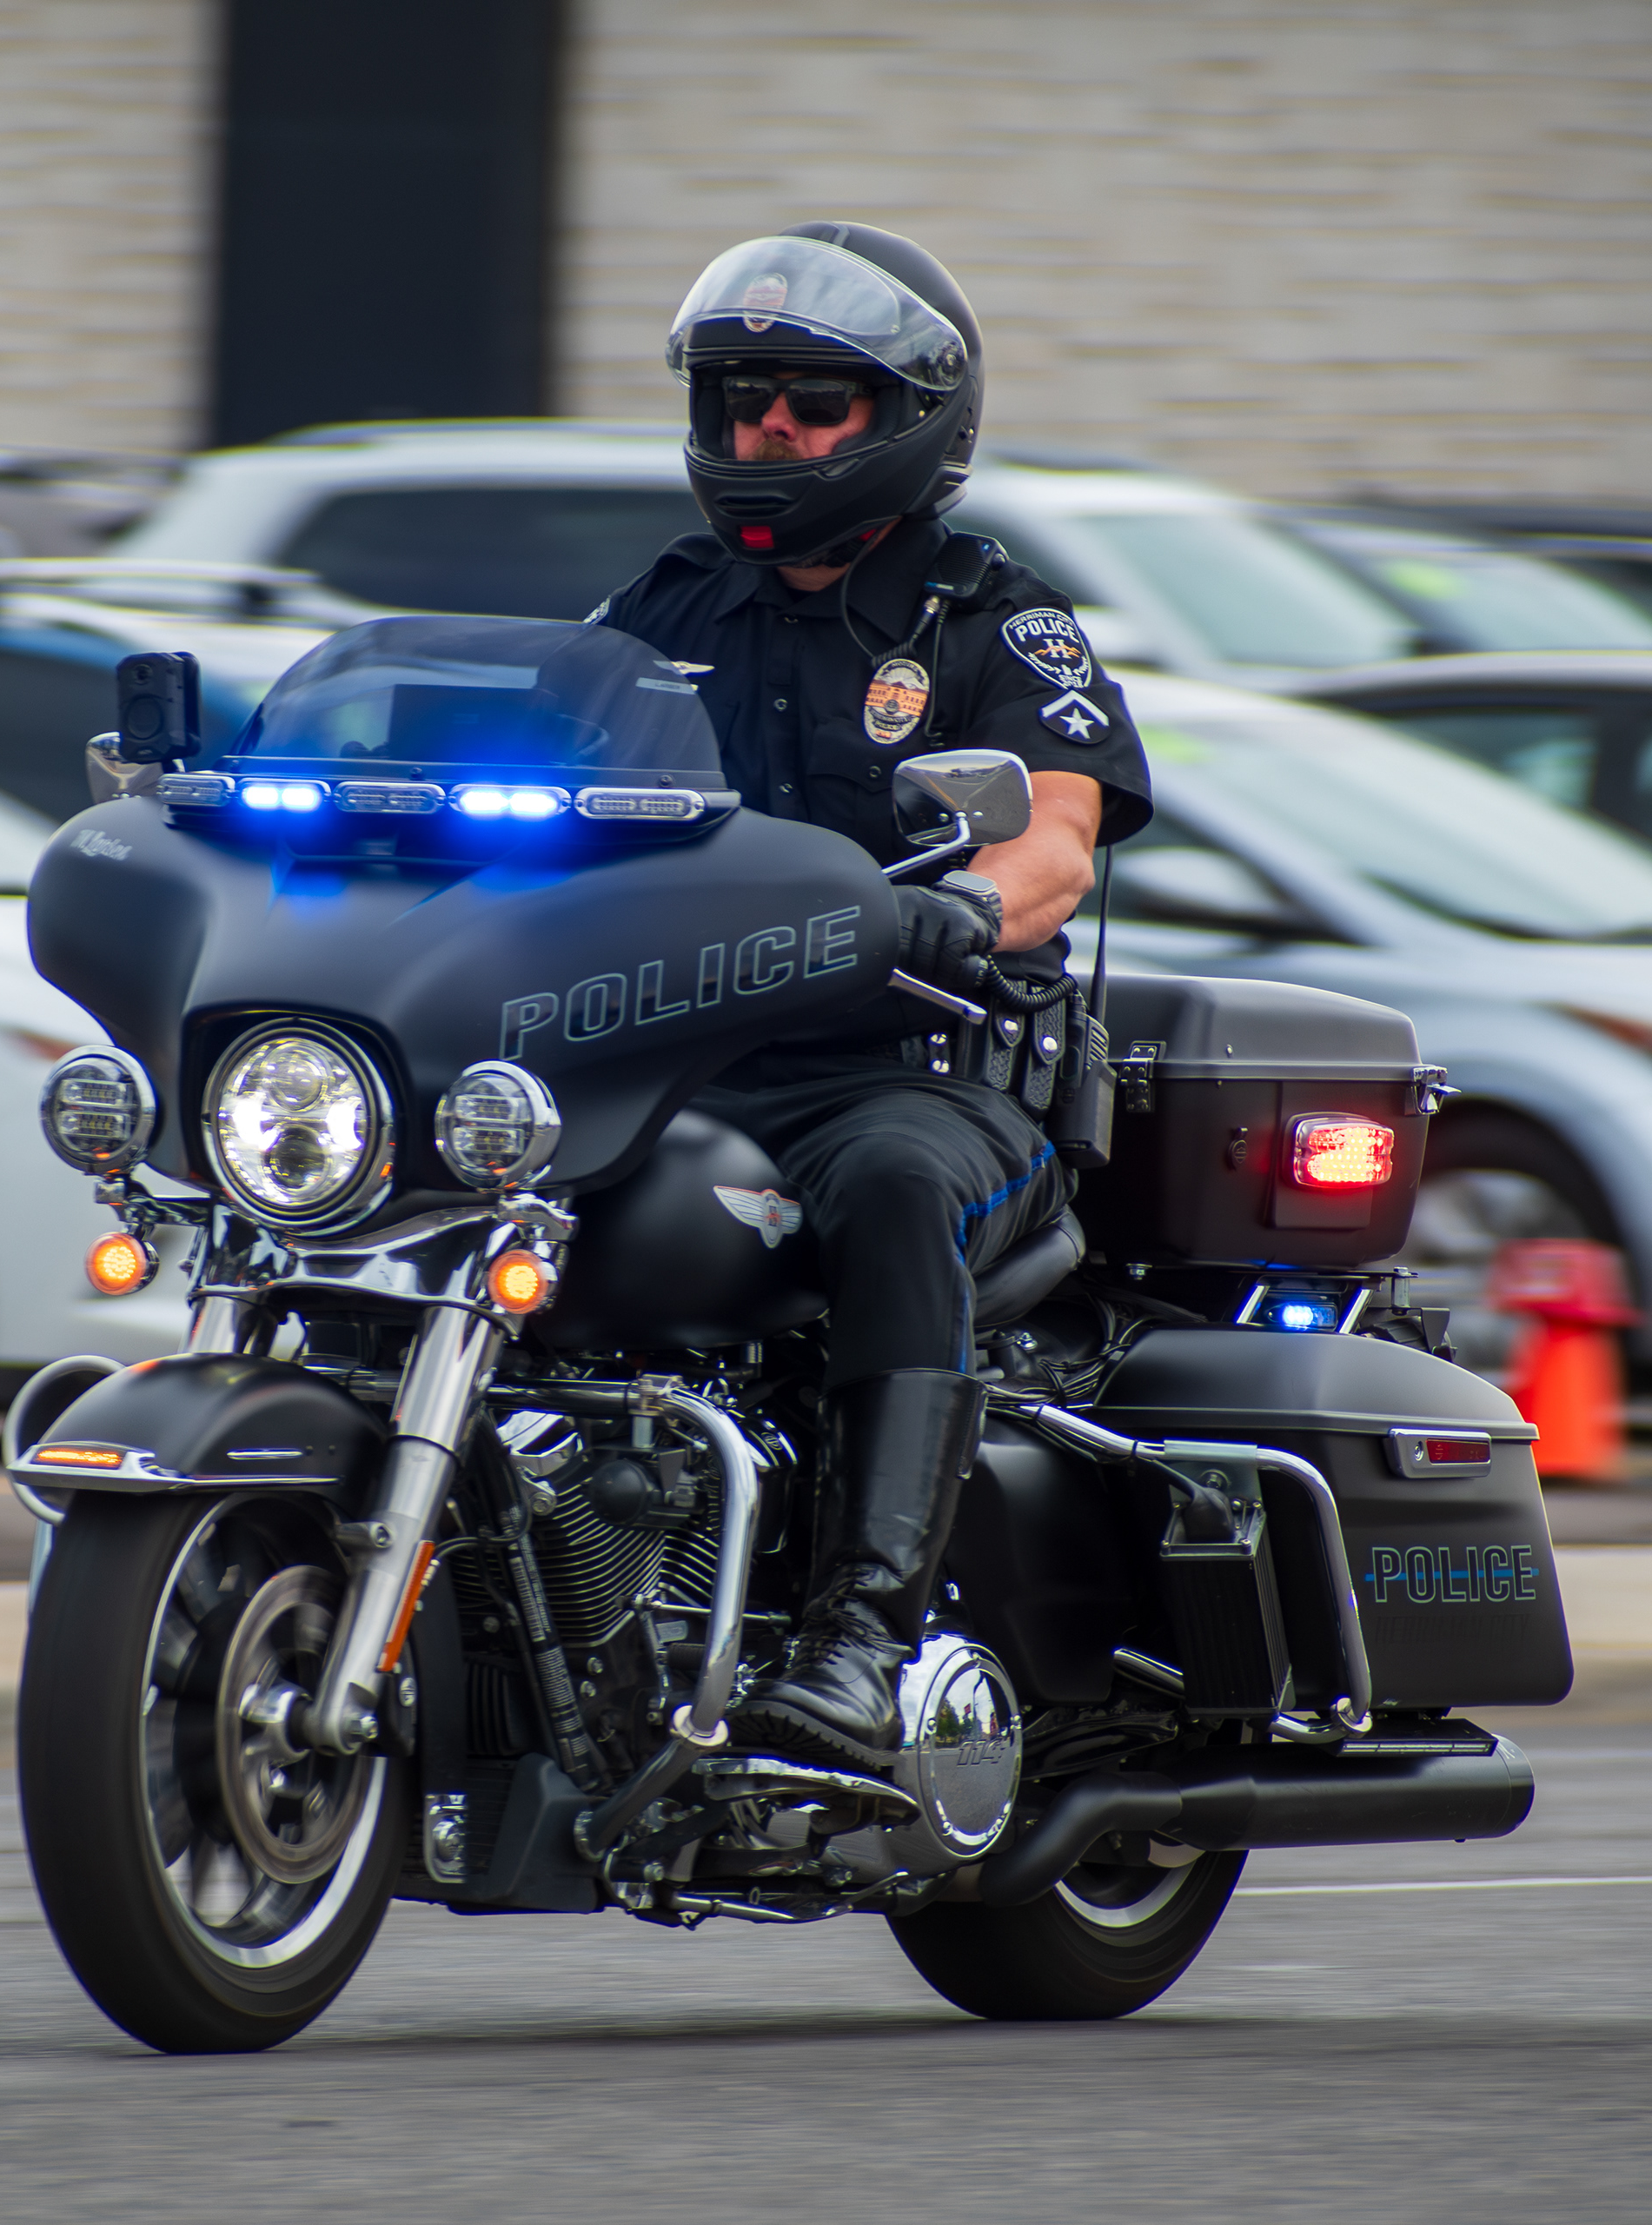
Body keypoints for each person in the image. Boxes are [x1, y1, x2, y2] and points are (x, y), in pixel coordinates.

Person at [589, 222, 1154, 1774]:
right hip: (683, 1066)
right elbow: (534, 780)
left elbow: (1058, 836)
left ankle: (858, 1631)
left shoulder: (991, 620)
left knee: (895, 1186)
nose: (768, 430)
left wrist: (971, 902)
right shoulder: (660, 612)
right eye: (739, 397)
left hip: (927, 1075)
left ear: (906, 420)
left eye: (811, 402)